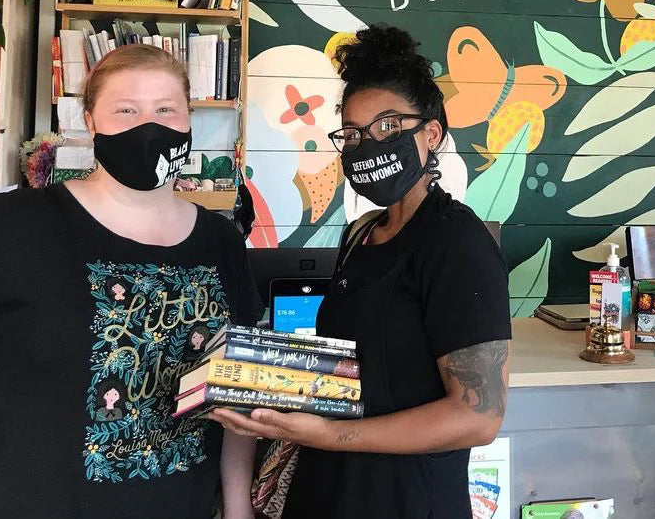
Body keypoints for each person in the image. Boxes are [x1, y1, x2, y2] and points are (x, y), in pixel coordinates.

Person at [0, 45, 262, 519]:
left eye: (166, 109)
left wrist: (238, 508)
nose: (148, 126)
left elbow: (233, 385)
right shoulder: (18, 223)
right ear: (90, 121)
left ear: (188, 120)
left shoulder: (220, 240)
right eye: (126, 109)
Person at [214, 25, 512, 519]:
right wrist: (264, 379)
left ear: (431, 134)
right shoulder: (359, 234)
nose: (368, 143)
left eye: (389, 126)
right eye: (353, 133)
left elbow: (478, 417)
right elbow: (363, 366)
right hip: (328, 488)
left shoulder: (457, 243)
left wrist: (331, 435)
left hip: (406, 499)